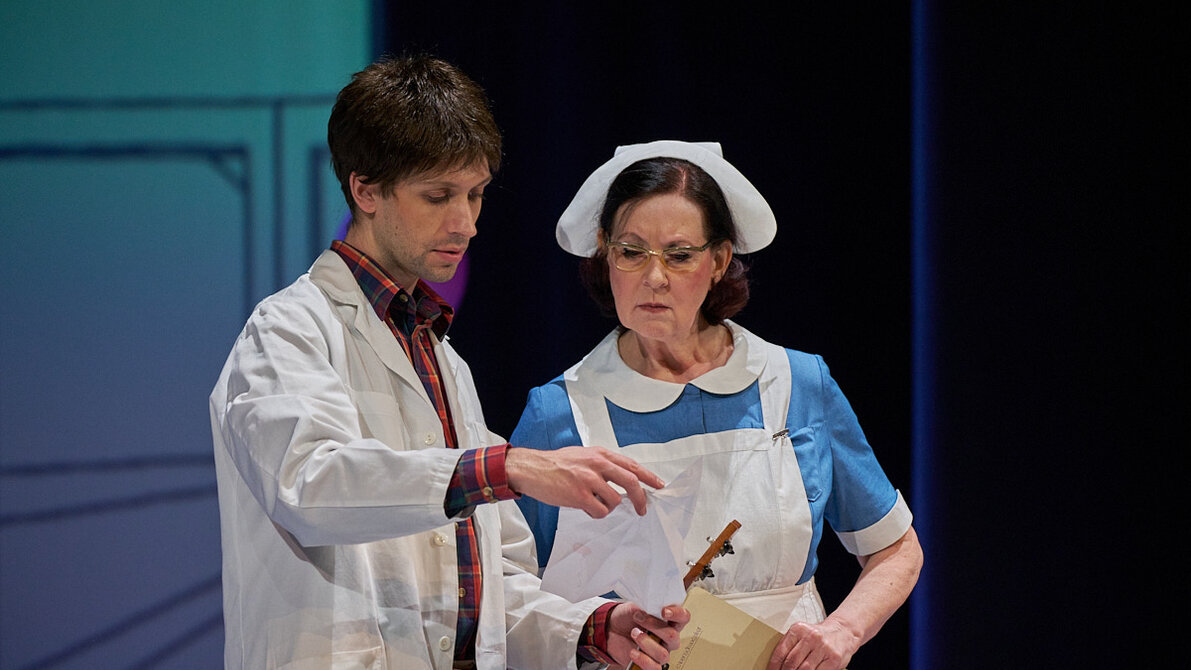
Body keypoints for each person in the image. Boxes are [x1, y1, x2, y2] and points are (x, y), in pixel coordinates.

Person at [209, 57, 688, 670]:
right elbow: (309, 485)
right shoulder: (287, 330)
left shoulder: (443, 359)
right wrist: (506, 467)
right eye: (438, 196)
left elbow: (486, 588)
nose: (465, 223)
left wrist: (588, 628)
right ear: (366, 190)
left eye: (475, 194)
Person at [512, 140, 923, 670]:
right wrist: (595, 630)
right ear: (604, 253)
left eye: (679, 255)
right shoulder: (559, 412)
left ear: (719, 261)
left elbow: (895, 548)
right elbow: (508, 590)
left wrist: (842, 631)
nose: (653, 278)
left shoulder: (795, 384)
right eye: (631, 252)